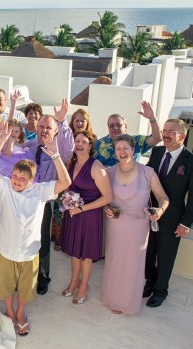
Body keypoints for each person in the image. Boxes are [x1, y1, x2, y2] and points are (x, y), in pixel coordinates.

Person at [0, 121, 71, 336]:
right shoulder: (5, 187)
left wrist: (56, 156)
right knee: (5, 286)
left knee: (25, 288)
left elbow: (65, 182)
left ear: (32, 181)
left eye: (23, 178)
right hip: (6, 249)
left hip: (29, 251)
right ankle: (9, 312)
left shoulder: (41, 191)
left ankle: (21, 313)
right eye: (15, 176)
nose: (17, 181)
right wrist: (0, 142)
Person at [102, 134, 169, 314]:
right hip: (115, 224)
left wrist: (160, 210)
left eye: (126, 148)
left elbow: (163, 197)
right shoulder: (108, 172)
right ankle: (113, 297)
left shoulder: (147, 172)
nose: (122, 152)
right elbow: (103, 199)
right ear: (114, 152)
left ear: (133, 150)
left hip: (138, 226)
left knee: (133, 264)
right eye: (118, 148)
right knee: (115, 261)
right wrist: (106, 208)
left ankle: (127, 301)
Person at [144, 119, 193, 308]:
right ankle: (149, 283)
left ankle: (160, 291)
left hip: (173, 219)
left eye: (171, 131)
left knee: (165, 256)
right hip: (150, 213)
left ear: (183, 136)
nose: (166, 134)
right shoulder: (157, 152)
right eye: (165, 130)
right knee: (148, 252)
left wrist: (186, 223)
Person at [22, 101, 74, 295]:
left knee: (43, 241)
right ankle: (25, 275)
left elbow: (68, 151)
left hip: (44, 203)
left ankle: (43, 277)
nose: (44, 131)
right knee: (25, 239)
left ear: (55, 131)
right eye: (41, 127)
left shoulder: (60, 150)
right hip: (24, 200)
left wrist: (61, 120)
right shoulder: (28, 147)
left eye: (49, 128)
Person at [60, 130, 112, 305]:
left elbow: (107, 197)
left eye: (83, 141)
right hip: (74, 214)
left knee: (86, 255)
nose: (79, 144)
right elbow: (68, 187)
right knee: (75, 251)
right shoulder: (71, 164)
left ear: (90, 146)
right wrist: (68, 201)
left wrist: (82, 208)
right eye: (77, 141)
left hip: (89, 216)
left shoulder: (97, 167)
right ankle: (74, 281)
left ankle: (84, 286)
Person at [95, 102, 162, 167]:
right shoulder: (98, 144)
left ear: (126, 127)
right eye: (111, 126)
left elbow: (157, 138)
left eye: (118, 125)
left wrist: (152, 119)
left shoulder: (136, 141)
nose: (115, 128)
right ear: (108, 127)